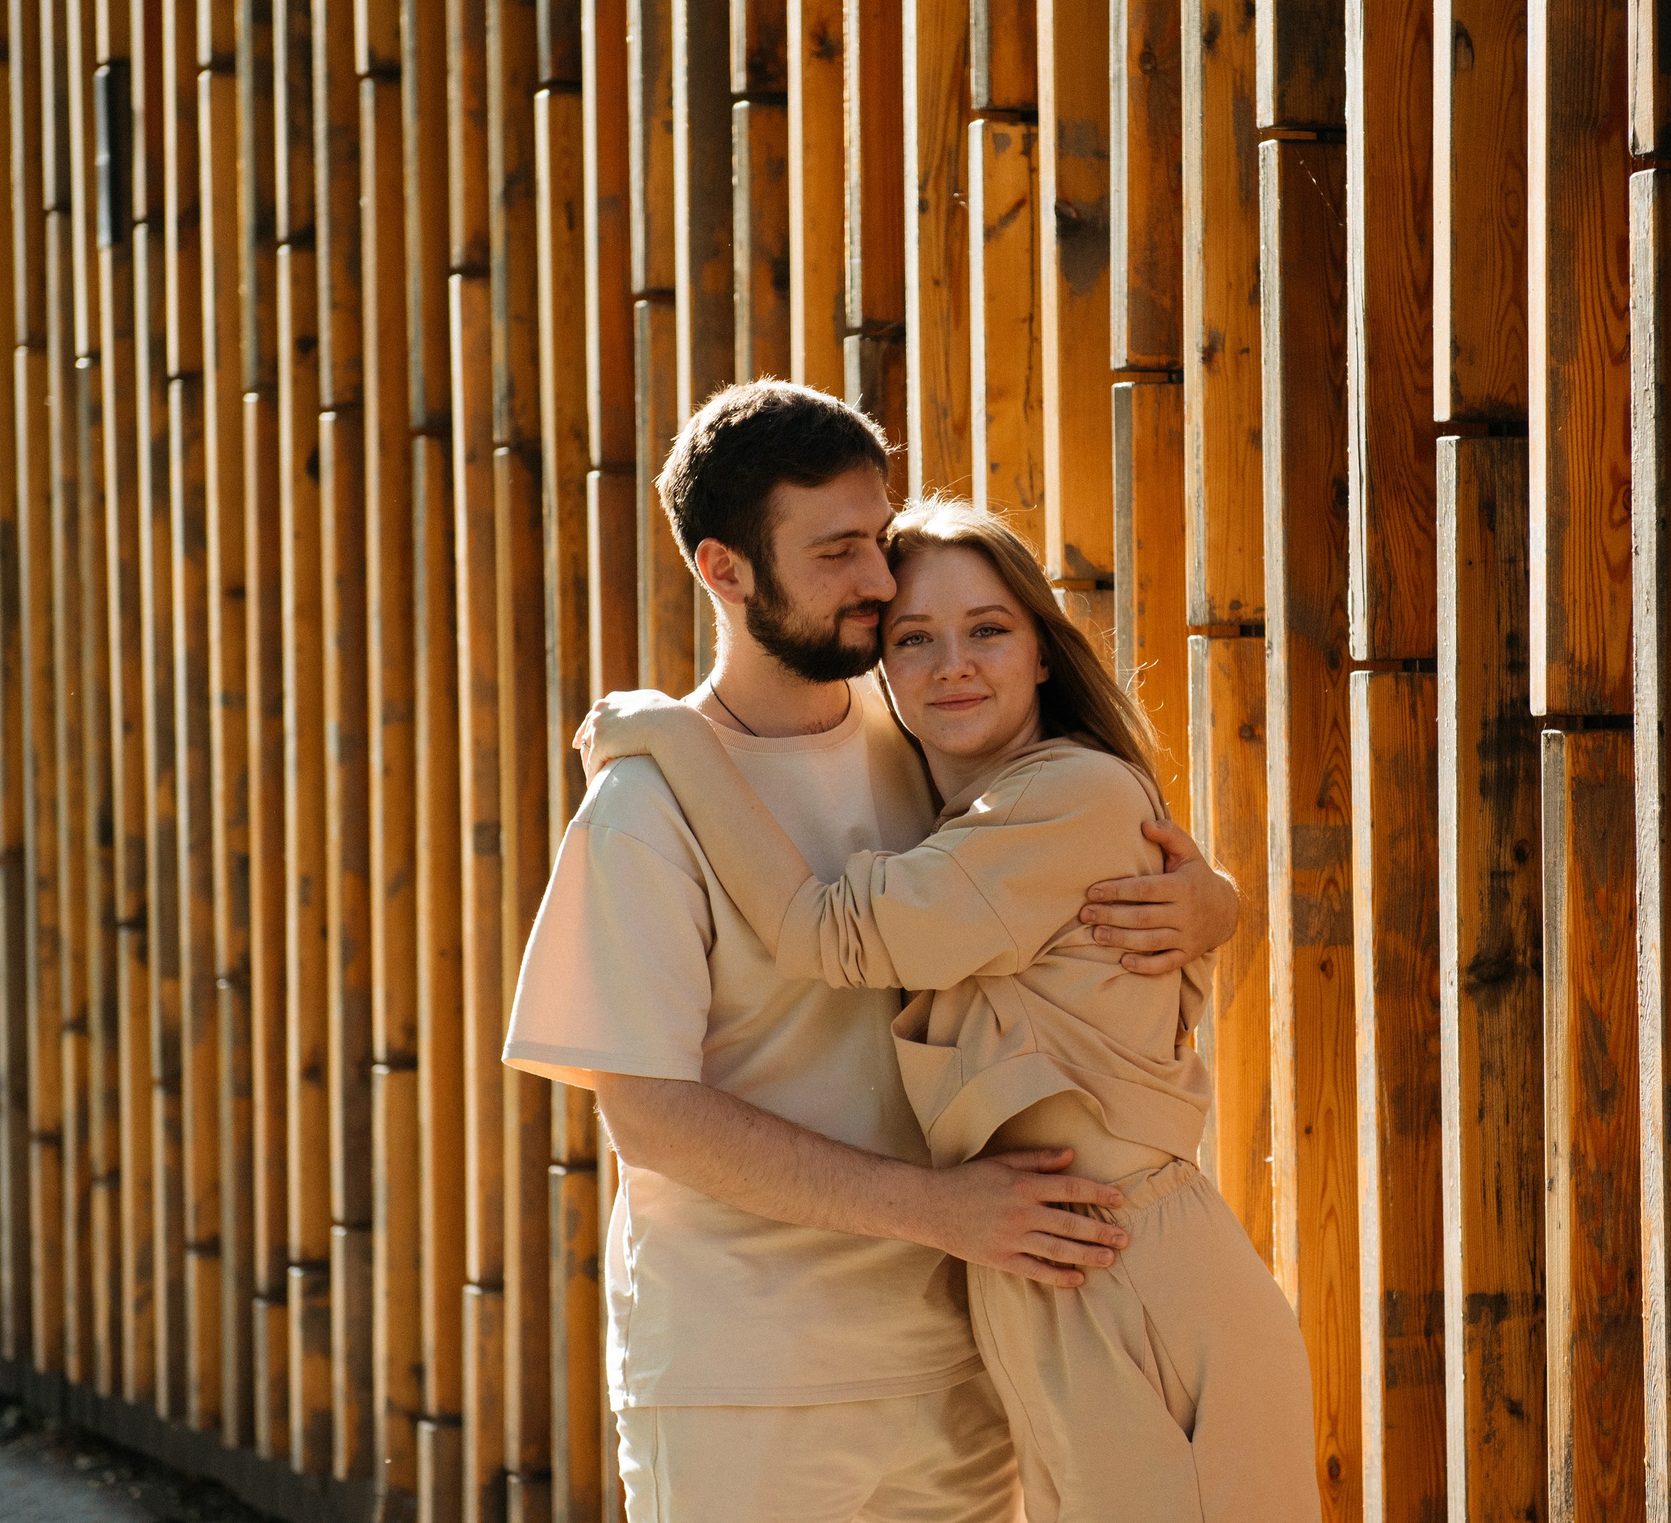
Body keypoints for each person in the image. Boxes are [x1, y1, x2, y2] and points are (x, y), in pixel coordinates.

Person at [500, 382, 1241, 1523]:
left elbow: (1076, 854)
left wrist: (1211, 901)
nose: (882, 581)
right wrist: (940, 1210)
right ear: (724, 569)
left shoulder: (932, 744)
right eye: (838, 551)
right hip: (750, 1384)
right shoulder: (642, 806)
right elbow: (650, 1116)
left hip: (966, 1362)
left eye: (879, 538)